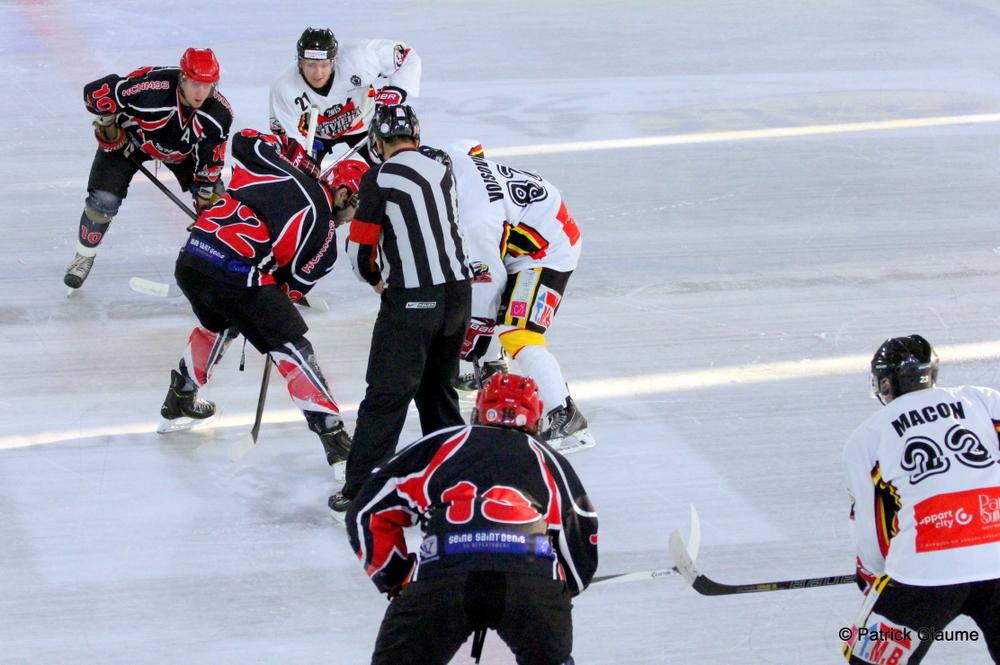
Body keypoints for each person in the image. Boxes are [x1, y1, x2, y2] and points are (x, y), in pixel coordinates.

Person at [346, 372, 597, 665]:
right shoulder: (550, 460)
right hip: (530, 579)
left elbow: (366, 512)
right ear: (537, 422)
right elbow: (581, 531)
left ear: (476, 412)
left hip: (444, 573)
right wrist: (560, 590)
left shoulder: (442, 443)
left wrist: (397, 577)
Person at [158, 127, 368, 469]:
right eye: (355, 210)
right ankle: (336, 439)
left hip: (192, 258)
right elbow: (288, 292)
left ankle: (181, 395)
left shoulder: (281, 168)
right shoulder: (326, 239)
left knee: (224, 321)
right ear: (344, 193)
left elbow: (245, 139)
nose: (351, 221)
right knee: (292, 347)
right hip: (234, 273)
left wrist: (290, 151)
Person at [330, 104, 471, 513]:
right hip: (458, 297)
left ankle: (361, 489)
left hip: (413, 299)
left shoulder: (377, 177)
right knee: (438, 393)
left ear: (377, 143)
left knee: (387, 396)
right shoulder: (441, 171)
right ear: (417, 137)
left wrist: (376, 280)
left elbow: (360, 251)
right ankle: (455, 480)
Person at [841, 334, 1000, 664]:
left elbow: (871, 527)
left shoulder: (868, 436)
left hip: (924, 573)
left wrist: (872, 574)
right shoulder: (982, 401)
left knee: (867, 659)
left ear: (885, 382)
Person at [443, 140, 595, 453]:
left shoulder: (475, 221)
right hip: (534, 229)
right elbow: (474, 146)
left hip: (547, 252)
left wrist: (468, 347)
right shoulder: (450, 157)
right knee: (492, 313)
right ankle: (491, 368)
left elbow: (489, 285)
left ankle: (566, 419)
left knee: (516, 330)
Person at [66, 48, 233, 291]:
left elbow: (211, 161)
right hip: (131, 142)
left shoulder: (219, 113)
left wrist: (205, 199)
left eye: (208, 85)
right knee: (103, 201)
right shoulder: (151, 90)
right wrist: (108, 124)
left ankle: (228, 267)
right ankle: (83, 256)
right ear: (182, 79)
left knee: (220, 206)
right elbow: (96, 93)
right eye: (195, 83)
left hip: (182, 152)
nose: (201, 92)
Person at [268, 27, 421, 165]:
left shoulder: (360, 58)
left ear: (333, 60)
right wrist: (302, 162)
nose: (318, 73)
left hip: (365, 122)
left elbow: (406, 55)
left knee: (391, 166)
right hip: (315, 135)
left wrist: (396, 91)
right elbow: (288, 137)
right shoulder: (284, 88)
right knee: (300, 176)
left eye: (324, 64)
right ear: (300, 63)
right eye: (311, 65)